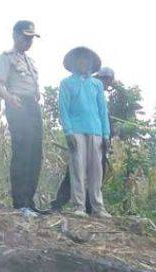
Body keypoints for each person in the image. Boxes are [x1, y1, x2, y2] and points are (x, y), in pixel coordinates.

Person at [0, 20, 43, 218]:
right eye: (25, 37)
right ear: (15, 35)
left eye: (31, 38)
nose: (28, 41)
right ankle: (20, 203)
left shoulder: (30, 61)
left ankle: (30, 202)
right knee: (22, 152)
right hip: (17, 105)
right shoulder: (5, 58)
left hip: (32, 106)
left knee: (35, 154)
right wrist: (10, 98)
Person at [50, 67, 116, 213]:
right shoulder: (67, 83)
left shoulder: (96, 86)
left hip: (96, 132)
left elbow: (102, 112)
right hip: (77, 131)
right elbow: (64, 109)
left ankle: (96, 207)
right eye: (108, 81)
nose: (108, 85)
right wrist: (68, 132)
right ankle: (76, 206)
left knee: (97, 171)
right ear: (103, 77)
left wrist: (106, 135)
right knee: (77, 169)